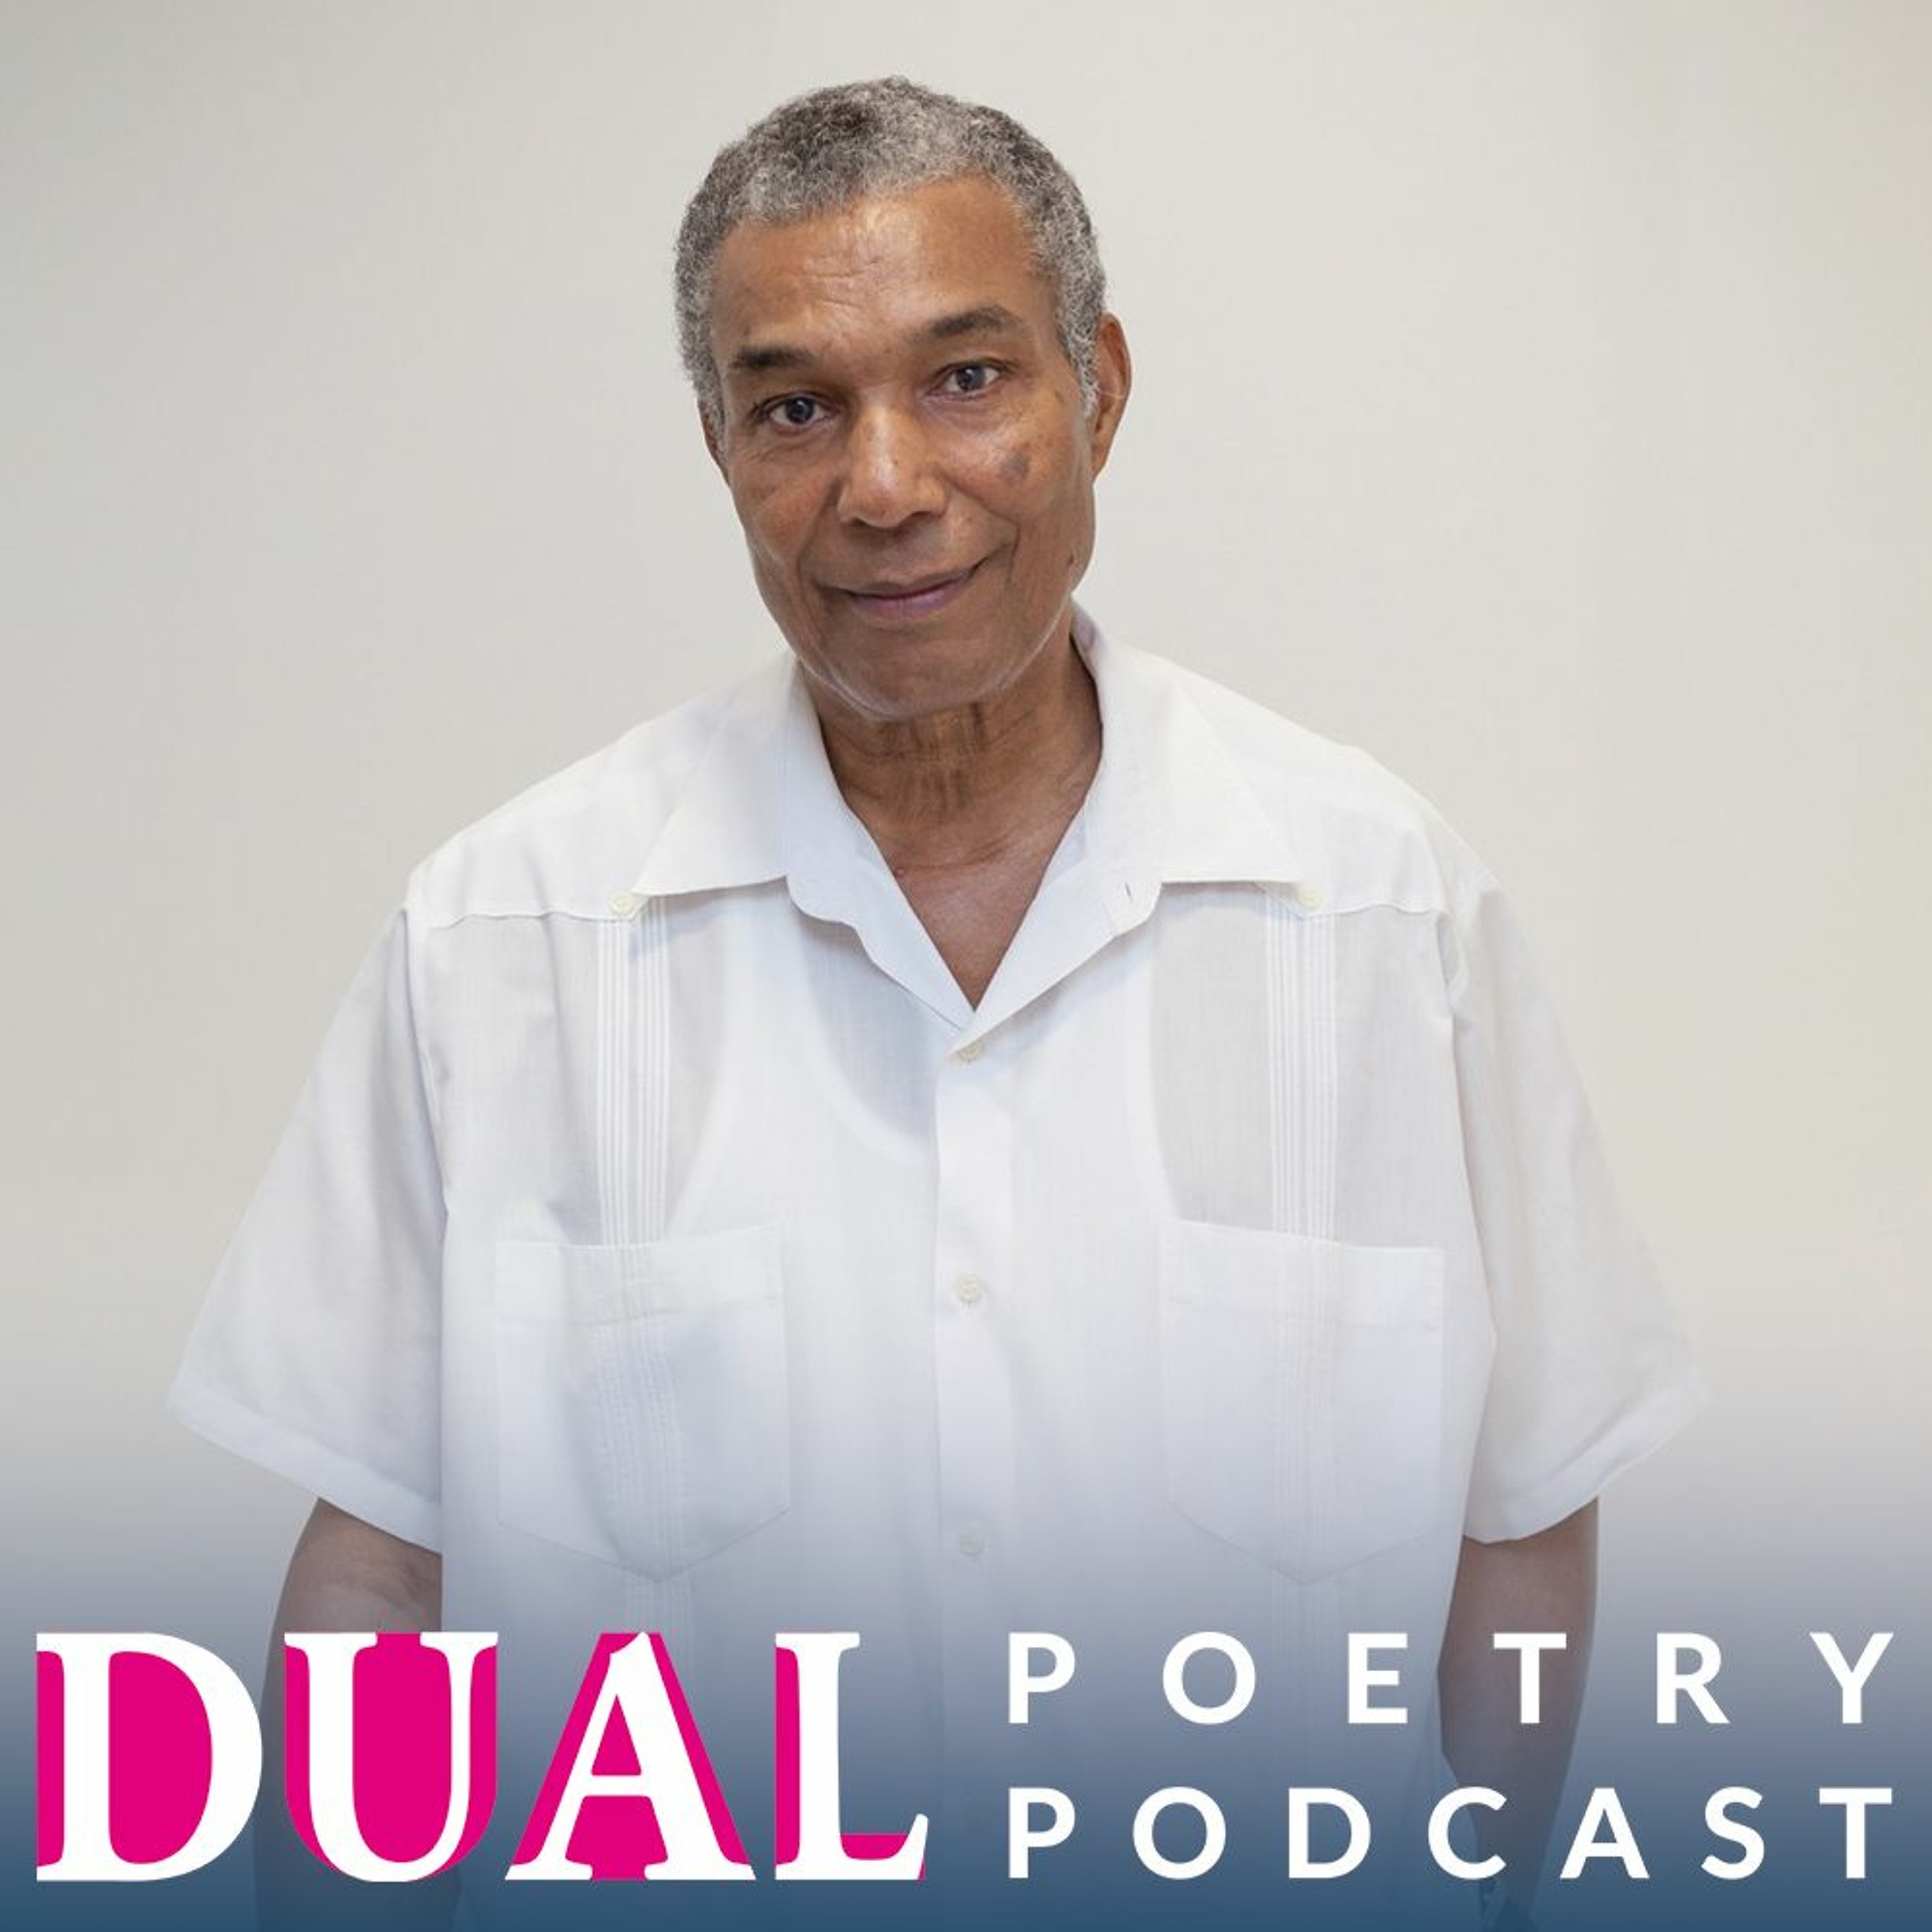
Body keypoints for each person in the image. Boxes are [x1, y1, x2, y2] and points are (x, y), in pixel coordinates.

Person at [172, 75, 1702, 1930]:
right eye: (796, 408)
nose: (887, 487)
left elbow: (1523, 1515)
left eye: (968, 379)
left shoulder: (1387, 914)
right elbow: (378, 1575)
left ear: (1098, 390)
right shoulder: (504, 942)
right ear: (720, 448)